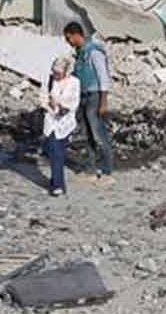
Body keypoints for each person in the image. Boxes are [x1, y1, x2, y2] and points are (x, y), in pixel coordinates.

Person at [63, 22, 114, 185]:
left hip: (95, 96)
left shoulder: (93, 52)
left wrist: (103, 102)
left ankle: (107, 171)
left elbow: (103, 77)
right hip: (84, 96)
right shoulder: (80, 53)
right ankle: (91, 169)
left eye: (69, 38)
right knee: (89, 135)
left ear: (76, 34)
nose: (68, 42)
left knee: (99, 134)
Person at [41, 56, 80, 196]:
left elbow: (74, 103)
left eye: (59, 73)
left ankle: (57, 183)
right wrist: (51, 105)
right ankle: (58, 183)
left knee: (57, 152)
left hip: (65, 123)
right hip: (51, 121)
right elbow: (43, 98)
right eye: (54, 72)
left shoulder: (74, 83)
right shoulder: (50, 80)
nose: (56, 76)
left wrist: (61, 107)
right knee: (55, 152)